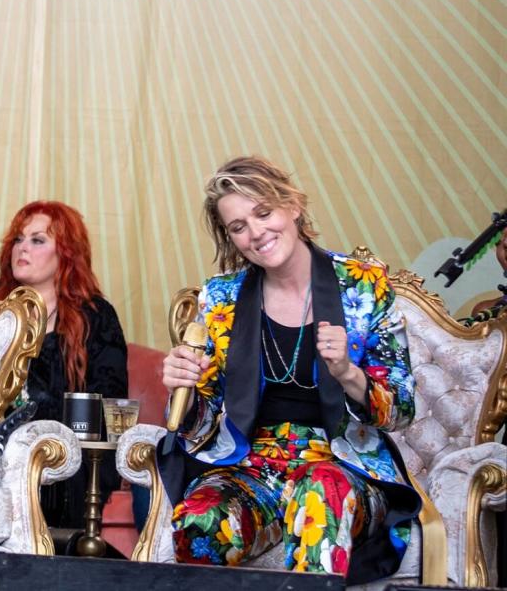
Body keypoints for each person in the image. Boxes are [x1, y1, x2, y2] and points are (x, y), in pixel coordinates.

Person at [159, 156, 420, 583]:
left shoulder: (363, 284)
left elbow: (403, 409)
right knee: (200, 519)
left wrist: (348, 373)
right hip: (250, 468)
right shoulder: (221, 297)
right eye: (238, 226)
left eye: (263, 213)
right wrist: (183, 390)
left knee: (319, 492)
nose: (256, 233)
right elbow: (199, 428)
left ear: (293, 206)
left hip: (341, 468)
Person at [0, 200, 128, 530]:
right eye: (18, 240)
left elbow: (109, 404)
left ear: (66, 252)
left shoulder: (95, 315)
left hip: (64, 455)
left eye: (38, 240)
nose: (22, 249)